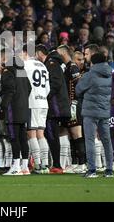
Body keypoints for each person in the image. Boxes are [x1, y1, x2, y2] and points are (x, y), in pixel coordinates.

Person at [75, 53, 114, 178]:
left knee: (90, 140)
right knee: (107, 140)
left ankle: (92, 170)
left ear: (93, 62)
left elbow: (78, 89)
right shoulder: (109, 74)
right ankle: (109, 170)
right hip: (104, 110)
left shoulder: (90, 75)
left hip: (90, 112)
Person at [36, 45, 70, 174]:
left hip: (55, 107)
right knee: (59, 134)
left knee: (52, 135)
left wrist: (45, 96)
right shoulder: (56, 62)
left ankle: (57, 165)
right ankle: (60, 163)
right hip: (60, 105)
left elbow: (55, 83)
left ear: (39, 53)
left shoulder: (51, 63)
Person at [0, 49, 30, 176]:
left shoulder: (8, 71)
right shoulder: (21, 70)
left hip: (12, 109)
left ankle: (16, 167)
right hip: (23, 108)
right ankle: (25, 167)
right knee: (23, 138)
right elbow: (29, 88)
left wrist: (3, 106)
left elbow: (9, 90)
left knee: (14, 138)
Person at [56, 45, 87, 173]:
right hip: (70, 104)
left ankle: (82, 164)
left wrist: (75, 101)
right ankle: (75, 163)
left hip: (74, 104)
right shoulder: (68, 67)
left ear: (63, 52)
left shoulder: (72, 66)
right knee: (72, 135)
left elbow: (79, 84)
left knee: (77, 134)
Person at [22, 45, 50, 174]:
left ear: (25, 53)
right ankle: (45, 164)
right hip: (43, 102)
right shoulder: (43, 66)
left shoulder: (25, 65)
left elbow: (22, 86)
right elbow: (48, 88)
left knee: (31, 133)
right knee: (41, 133)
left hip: (32, 102)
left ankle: (38, 165)